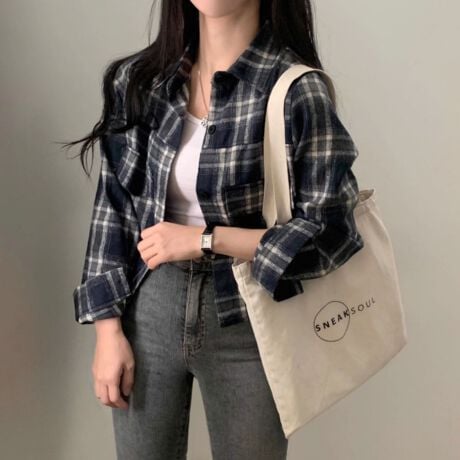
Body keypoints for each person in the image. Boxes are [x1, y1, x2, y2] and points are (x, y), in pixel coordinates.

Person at [64, 0, 364, 458]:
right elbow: (114, 209)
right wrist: (107, 331)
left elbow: (331, 230)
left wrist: (206, 240)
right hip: (149, 309)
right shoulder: (141, 82)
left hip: (248, 317)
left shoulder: (296, 91)